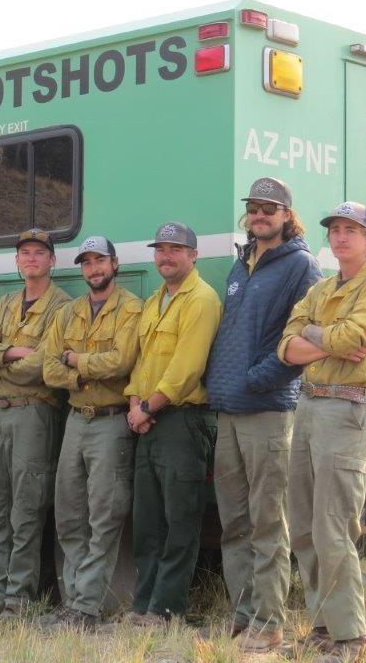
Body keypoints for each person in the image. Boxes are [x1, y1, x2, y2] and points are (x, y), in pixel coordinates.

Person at [278, 202, 366, 663]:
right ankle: (322, 626)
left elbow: (357, 337)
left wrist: (314, 337)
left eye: (352, 230)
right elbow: (285, 347)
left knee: (333, 526)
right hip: (309, 407)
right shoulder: (323, 287)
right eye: (334, 230)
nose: (340, 237)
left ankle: (350, 637)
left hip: (346, 409)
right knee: (305, 526)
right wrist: (323, 336)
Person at [204, 177, 322, 650]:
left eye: (269, 208)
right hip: (228, 411)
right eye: (253, 207)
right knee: (234, 522)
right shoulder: (240, 265)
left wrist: (259, 377)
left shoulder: (301, 266)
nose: (259, 214)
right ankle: (243, 616)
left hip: (269, 411)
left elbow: (310, 339)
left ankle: (270, 624)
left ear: (286, 215)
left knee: (268, 522)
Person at [38, 236, 143, 629]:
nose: (94, 269)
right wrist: (81, 374)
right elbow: (48, 368)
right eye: (87, 263)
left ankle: (88, 607)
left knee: (105, 514)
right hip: (75, 420)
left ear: (114, 264)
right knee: (68, 514)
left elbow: (121, 361)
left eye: (100, 261)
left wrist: (75, 361)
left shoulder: (130, 308)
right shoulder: (70, 311)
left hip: (111, 422)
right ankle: (73, 599)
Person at [0, 228, 71, 621]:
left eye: (39, 252)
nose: (31, 258)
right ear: (16, 261)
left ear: (51, 261)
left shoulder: (62, 306)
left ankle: (19, 598)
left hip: (34, 412)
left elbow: (44, 365)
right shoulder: (7, 302)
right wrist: (11, 351)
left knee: (26, 507)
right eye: (25, 253)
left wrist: (0, 354)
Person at [125, 222, 222, 626]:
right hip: (148, 421)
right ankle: (143, 606)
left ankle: (168, 610)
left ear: (193, 255)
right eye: (160, 249)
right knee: (147, 521)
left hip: (183, 423)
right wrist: (135, 403)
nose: (166, 256)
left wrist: (146, 407)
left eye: (175, 249)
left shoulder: (202, 300)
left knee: (180, 521)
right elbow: (142, 362)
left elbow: (186, 369)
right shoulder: (154, 301)